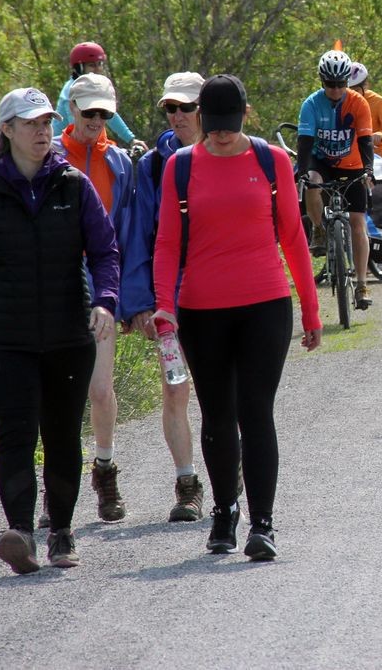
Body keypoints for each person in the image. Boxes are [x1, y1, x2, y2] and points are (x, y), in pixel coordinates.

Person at [152, 74, 323, 561]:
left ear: (246, 115)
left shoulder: (270, 161)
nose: (222, 135)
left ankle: (263, 523)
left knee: (255, 412)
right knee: (218, 416)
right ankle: (225, 512)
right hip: (202, 310)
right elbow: (166, 242)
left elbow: (293, 236)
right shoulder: (181, 168)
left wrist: (311, 310)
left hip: (265, 305)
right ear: (201, 118)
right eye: (214, 125)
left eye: (230, 124)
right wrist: (165, 304)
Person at [0, 87, 119, 573]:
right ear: (7, 130)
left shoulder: (74, 185)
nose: (43, 130)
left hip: (66, 336)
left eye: (47, 122)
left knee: (61, 437)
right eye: (31, 123)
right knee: (15, 436)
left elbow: (104, 252)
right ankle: (21, 534)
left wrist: (105, 301)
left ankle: (61, 531)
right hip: (5, 339)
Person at [120, 72, 207, 522]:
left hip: (219, 292)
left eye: (185, 107)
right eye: (170, 108)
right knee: (175, 389)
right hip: (170, 296)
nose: (176, 116)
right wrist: (138, 302)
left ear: (204, 109)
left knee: (221, 392)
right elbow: (138, 236)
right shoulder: (151, 166)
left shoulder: (229, 155)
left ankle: (230, 479)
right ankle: (187, 484)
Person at [53, 73, 134, 523]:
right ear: (73, 110)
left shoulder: (120, 162)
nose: (97, 121)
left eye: (105, 113)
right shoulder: (49, 155)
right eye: (90, 112)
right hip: (54, 284)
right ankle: (55, 492)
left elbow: (126, 232)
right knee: (57, 393)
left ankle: (105, 472)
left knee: (100, 389)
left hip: (101, 282)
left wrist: (126, 294)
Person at [298, 50, 375, 310]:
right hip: (323, 162)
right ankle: (319, 229)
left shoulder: (358, 103)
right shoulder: (311, 104)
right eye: (330, 84)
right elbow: (305, 142)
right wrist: (301, 169)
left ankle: (362, 284)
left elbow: (365, 141)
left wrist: (369, 170)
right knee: (311, 180)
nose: (335, 89)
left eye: (341, 83)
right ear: (322, 81)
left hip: (353, 164)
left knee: (357, 222)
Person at [53, 41, 148, 153]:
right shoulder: (71, 91)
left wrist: (131, 139)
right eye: (92, 65)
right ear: (78, 68)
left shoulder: (95, 88)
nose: (98, 69)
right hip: (59, 151)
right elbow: (79, 128)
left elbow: (111, 116)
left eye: (100, 64)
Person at [348, 61, 382, 164]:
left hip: (380, 157)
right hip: (354, 159)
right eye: (349, 91)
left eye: (356, 90)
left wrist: (380, 135)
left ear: (366, 85)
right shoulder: (343, 103)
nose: (353, 95)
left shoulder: (379, 101)